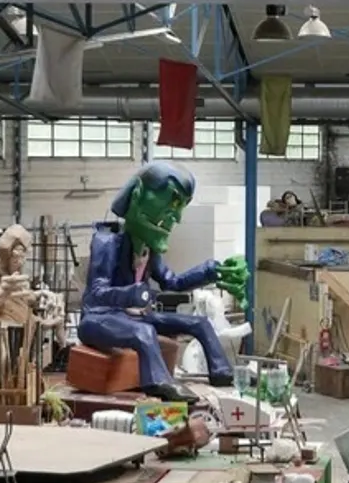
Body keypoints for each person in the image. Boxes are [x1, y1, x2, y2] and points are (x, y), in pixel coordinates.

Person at [78, 163, 248, 404]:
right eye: (172, 202)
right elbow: (96, 293)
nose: (176, 217)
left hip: (133, 317)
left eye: (180, 207)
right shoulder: (106, 242)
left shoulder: (149, 249)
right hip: (98, 319)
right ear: (137, 196)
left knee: (199, 323)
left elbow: (172, 282)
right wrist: (131, 294)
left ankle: (222, 373)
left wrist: (210, 272)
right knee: (143, 332)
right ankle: (159, 383)